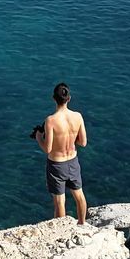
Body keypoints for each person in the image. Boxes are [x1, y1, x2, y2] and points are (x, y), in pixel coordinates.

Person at [33, 81, 88, 223]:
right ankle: (82, 224)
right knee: (79, 196)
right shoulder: (78, 116)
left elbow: (48, 149)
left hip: (57, 165)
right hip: (73, 162)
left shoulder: (50, 120)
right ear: (69, 98)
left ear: (53, 98)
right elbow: (83, 142)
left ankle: (62, 231)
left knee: (59, 201)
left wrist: (39, 137)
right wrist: (70, 139)